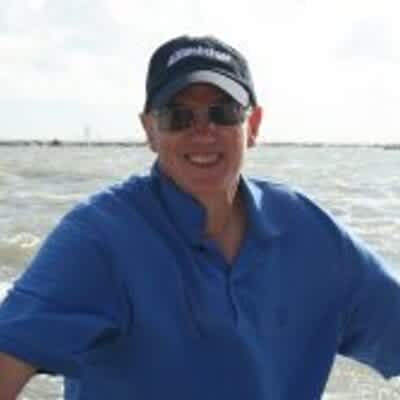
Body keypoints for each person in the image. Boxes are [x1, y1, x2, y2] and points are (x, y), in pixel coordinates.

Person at [0, 34, 399, 400]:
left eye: (223, 112)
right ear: (150, 130)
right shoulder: (99, 238)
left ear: (253, 125)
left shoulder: (310, 234)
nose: (203, 131)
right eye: (178, 115)